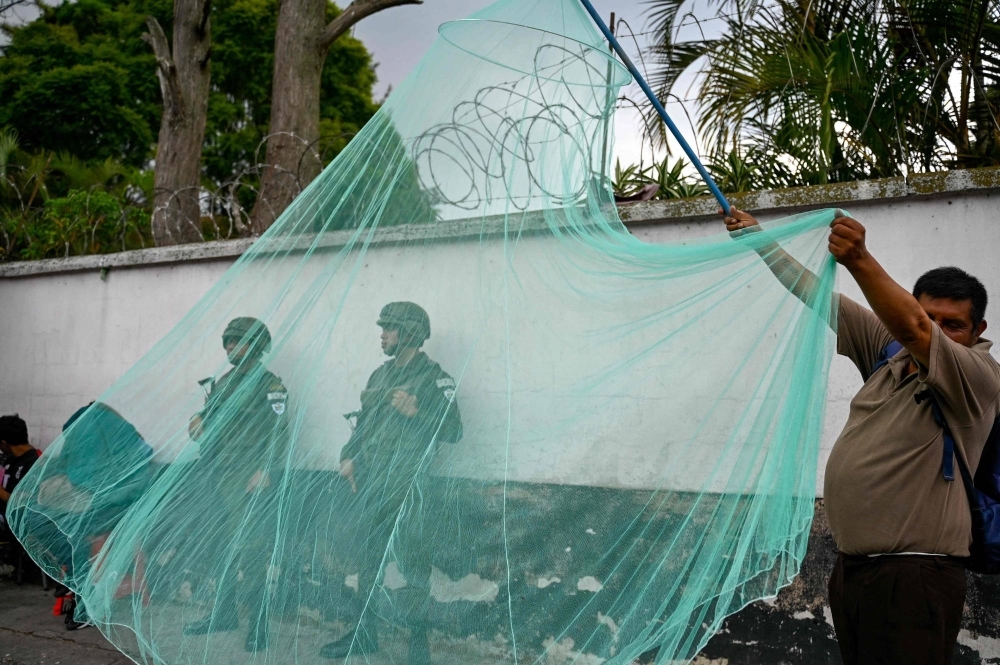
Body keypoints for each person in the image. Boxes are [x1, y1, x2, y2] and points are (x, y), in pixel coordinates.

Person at [721, 207, 1000, 665]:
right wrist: (759, 241)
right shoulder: (889, 350)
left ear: (978, 332)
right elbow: (815, 293)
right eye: (930, 318)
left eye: (953, 325)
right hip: (855, 570)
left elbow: (913, 327)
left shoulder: (978, 376)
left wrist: (860, 259)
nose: (938, 332)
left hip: (916, 575)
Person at [320, 302, 463, 665]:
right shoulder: (378, 377)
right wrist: (348, 457)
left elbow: (454, 430)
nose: (382, 334)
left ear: (410, 333)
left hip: (409, 487)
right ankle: (364, 635)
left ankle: (419, 645)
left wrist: (418, 412)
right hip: (371, 484)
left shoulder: (435, 377)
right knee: (369, 562)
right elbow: (363, 424)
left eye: (390, 328)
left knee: (414, 566)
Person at [181, 317, 289, 652]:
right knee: (220, 546)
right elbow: (209, 421)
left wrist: (266, 469)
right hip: (217, 473)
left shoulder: (270, 385)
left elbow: (280, 430)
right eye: (226, 341)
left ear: (254, 346)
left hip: (248, 477)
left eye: (236, 341)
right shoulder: (223, 383)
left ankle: (259, 623)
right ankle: (224, 612)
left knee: (252, 550)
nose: (228, 347)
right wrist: (197, 422)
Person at [0, 414, 40, 531]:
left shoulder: (35, 463)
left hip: (16, 523)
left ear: (3, 443)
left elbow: (27, 503)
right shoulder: (10, 458)